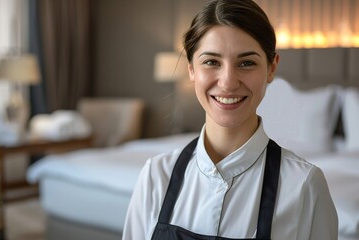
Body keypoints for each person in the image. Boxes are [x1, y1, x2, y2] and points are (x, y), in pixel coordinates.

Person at [122, 0, 338, 239]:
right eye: (211, 62)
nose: (227, 82)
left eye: (246, 63)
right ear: (191, 69)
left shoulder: (304, 185)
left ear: (271, 68)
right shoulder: (155, 176)